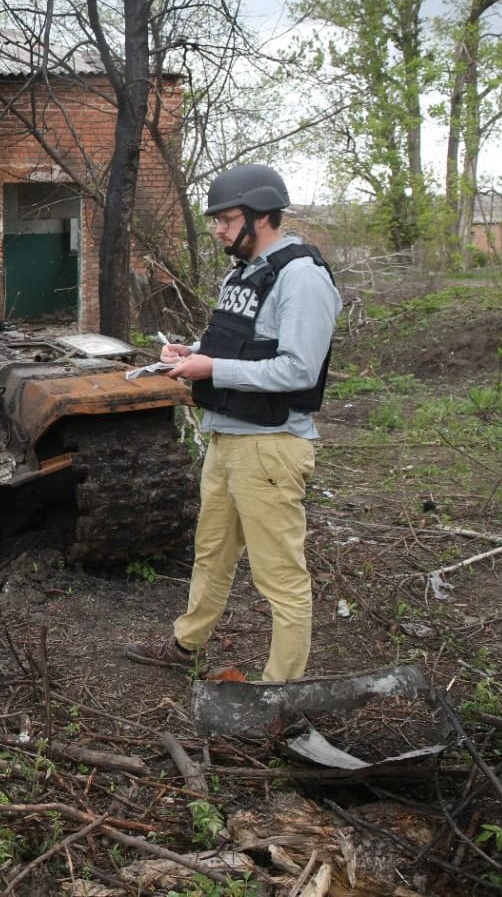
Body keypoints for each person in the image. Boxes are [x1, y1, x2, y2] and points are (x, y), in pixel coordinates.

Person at [124, 164, 341, 682]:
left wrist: (212, 368)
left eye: (226, 220)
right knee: (212, 551)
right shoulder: (242, 272)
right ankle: (187, 643)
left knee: (281, 577)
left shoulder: (302, 278)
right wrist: (192, 351)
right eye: (217, 221)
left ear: (262, 215)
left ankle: (279, 692)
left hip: (270, 446)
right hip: (227, 438)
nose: (218, 230)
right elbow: (241, 344)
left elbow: (297, 368)